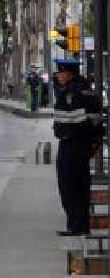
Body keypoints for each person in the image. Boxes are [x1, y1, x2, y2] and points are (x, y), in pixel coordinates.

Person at [52, 58, 102, 236]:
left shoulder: (69, 93)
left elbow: (68, 122)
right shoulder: (90, 92)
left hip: (70, 144)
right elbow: (97, 122)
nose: (58, 77)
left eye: (60, 73)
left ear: (68, 73)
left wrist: (62, 132)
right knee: (82, 185)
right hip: (85, 146)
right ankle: (82, 224)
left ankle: (76, 225)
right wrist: (94, 143)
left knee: (68, 185)